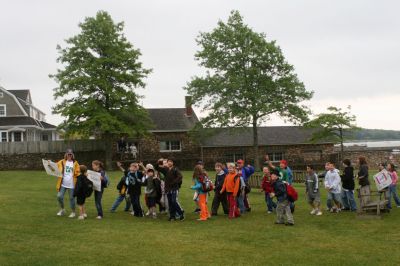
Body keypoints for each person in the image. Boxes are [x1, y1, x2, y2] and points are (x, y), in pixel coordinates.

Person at [56, 149, 80, 218]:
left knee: (72, 198)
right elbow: (55, 165)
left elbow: (78, 171)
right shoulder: (62, 162)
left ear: (72, 155)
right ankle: (62, 209)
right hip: (63, 184)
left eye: (70, 154)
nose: (69, 155)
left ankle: (73, 212)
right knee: (59, 196)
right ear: (66, 155)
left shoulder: (75, 163)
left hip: (72, 184)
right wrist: (49, 163)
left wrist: (78, 174)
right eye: (68, 154)